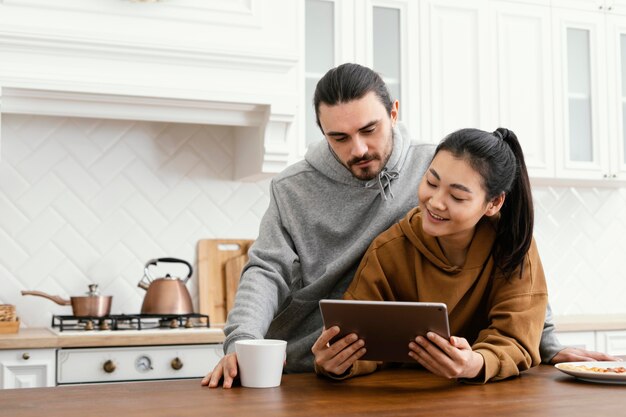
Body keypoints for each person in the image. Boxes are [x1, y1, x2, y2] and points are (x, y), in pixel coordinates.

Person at [202, 63, 616, 388]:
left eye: (369, 129)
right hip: (311, 363)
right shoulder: (293, 189)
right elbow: (266, 270)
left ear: (394, 113)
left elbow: (514, 263)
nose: (358, 148)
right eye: (339, 137)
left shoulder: (437, 164)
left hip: (414, 371)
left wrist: (545, 345)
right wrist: (244, 343)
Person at [312, 127, 546, 382]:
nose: (435, 202)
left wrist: (475, 364)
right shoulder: (388, 249)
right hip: (400, 396)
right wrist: (337, 361)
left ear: (494, 203)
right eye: (431, 182)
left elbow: (518, 338)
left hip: (491, 400)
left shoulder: (513, 247)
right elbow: (359, 339)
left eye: (457, 196)